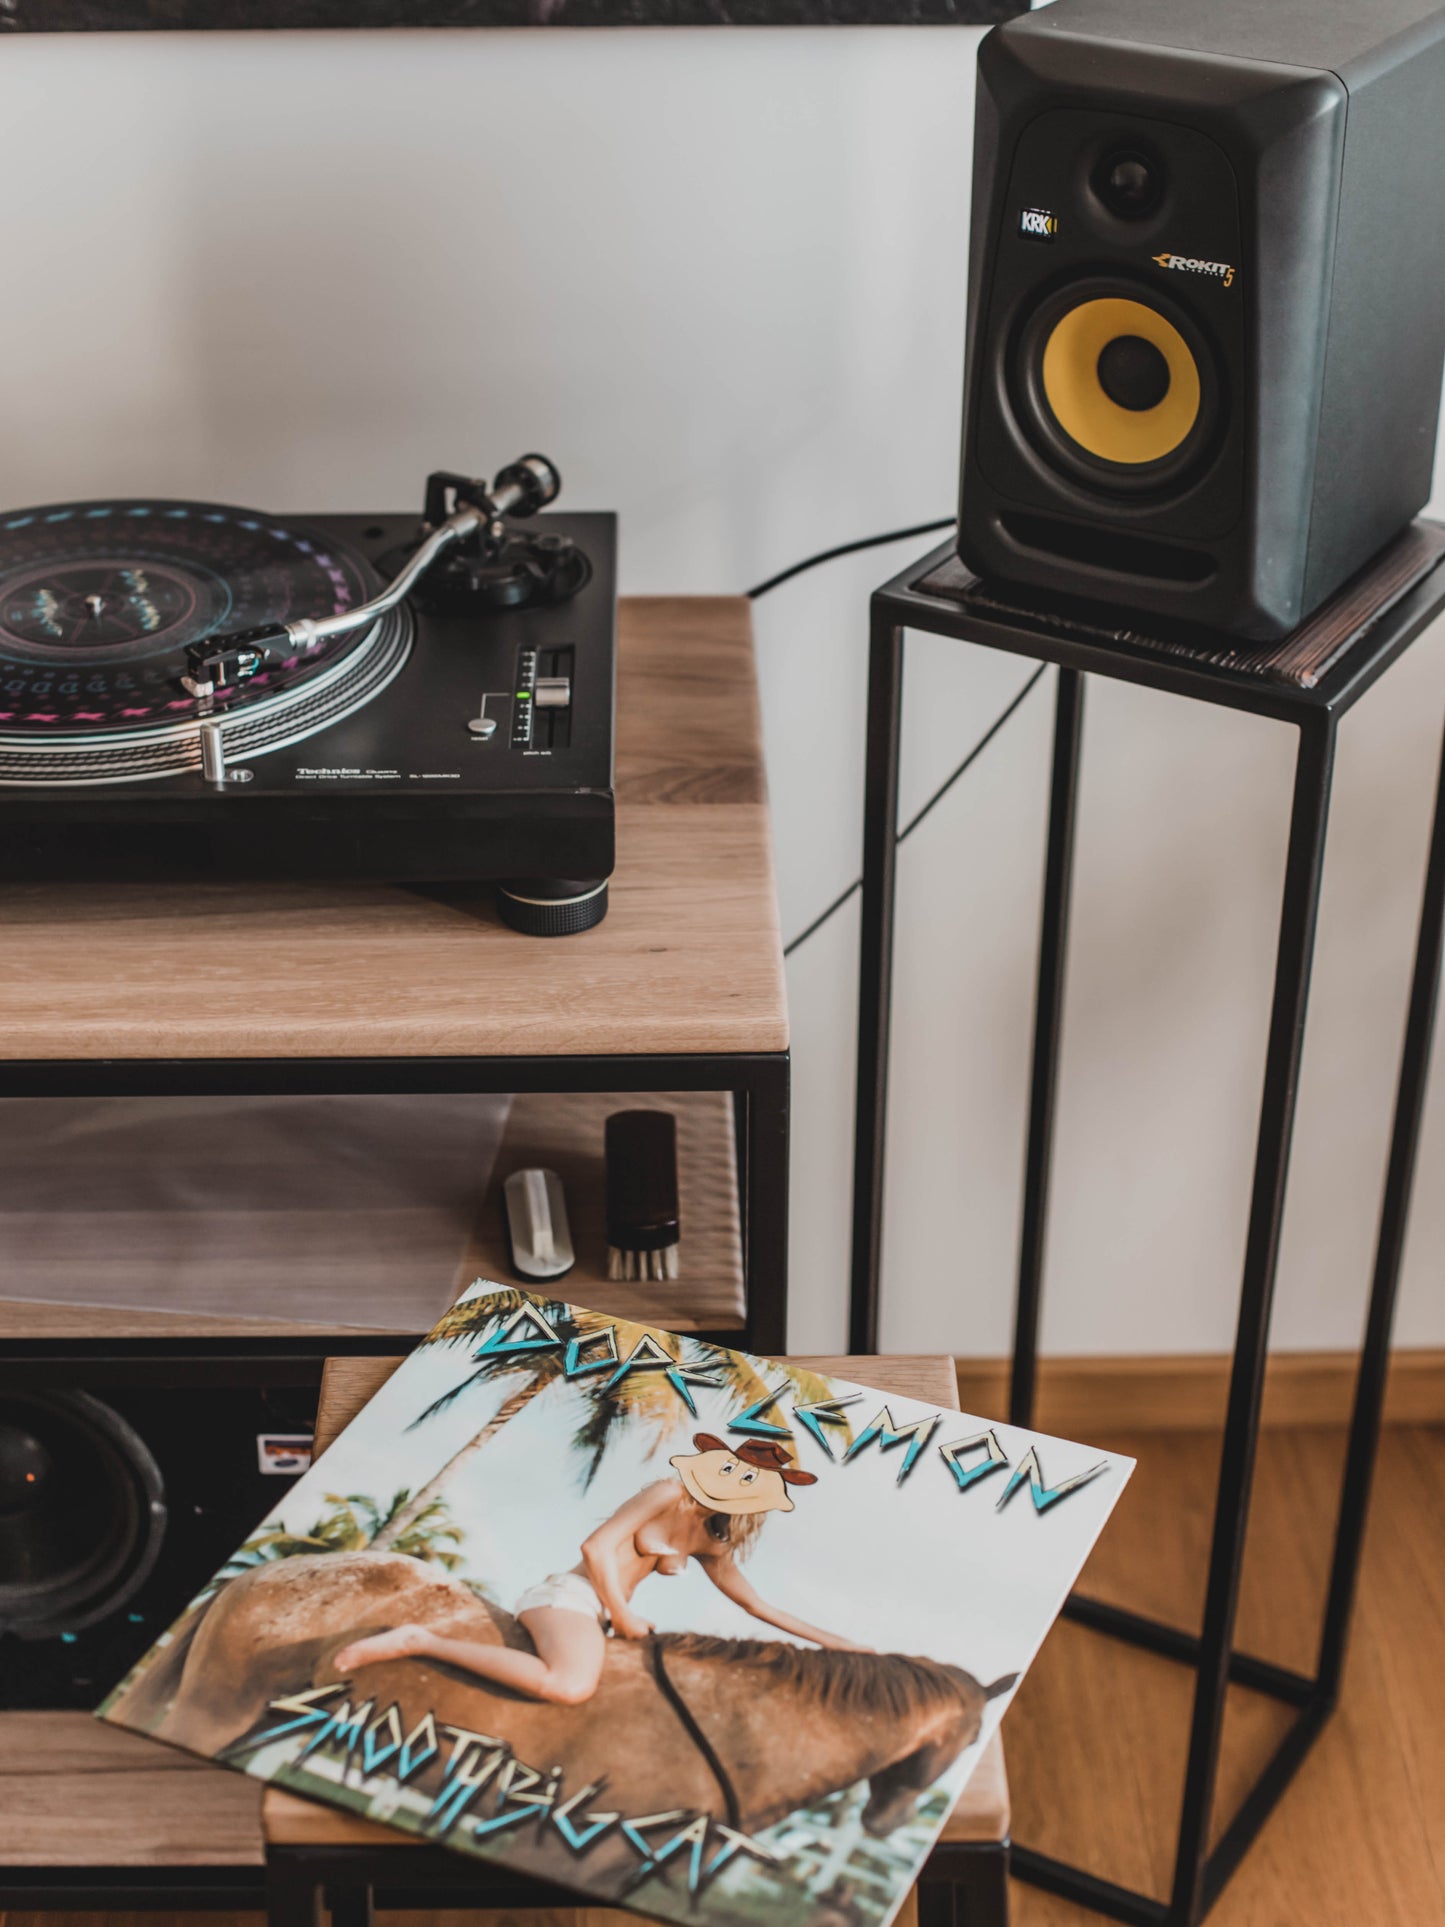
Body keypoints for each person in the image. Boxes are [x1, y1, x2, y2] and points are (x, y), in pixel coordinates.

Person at [334, 1433, 871, 1704]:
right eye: (738, 1468)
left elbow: (760, 1607)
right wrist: (623, 1616)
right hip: (570, 1597)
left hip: (597, 1616)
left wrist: (849, 1649)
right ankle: (417, 1641)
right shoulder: (667, 1492)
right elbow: (596, 1547)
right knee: (570, 1686)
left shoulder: (713, 1544)